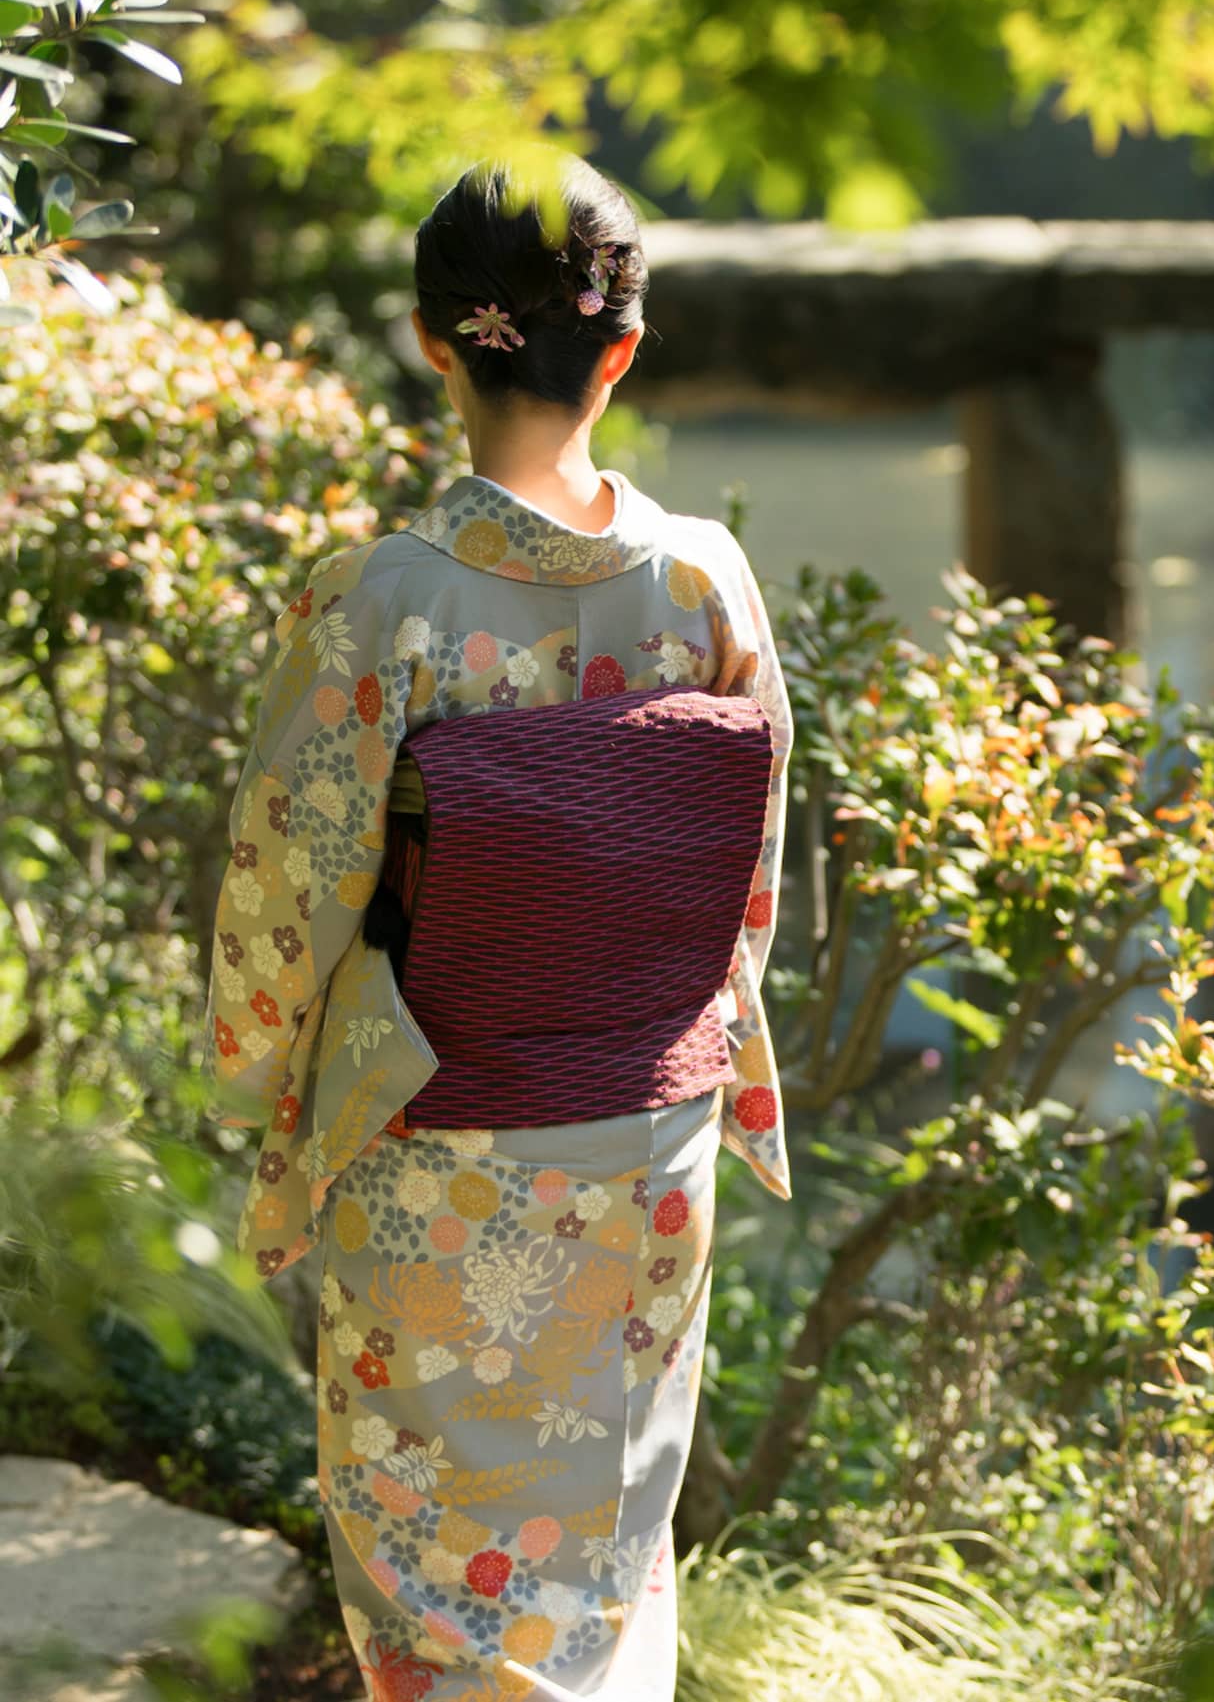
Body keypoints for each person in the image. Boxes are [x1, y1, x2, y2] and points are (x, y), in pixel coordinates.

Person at [200, 149, 794, 1701]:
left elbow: (286, 900)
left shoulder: (381, 600)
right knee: (604, 1559)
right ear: (621, 347)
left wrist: (251, 1102)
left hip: (432, 1151)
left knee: (437, 1593)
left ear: (429, 338)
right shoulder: (706, 579)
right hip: (645, 1145)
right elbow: (745, 882)